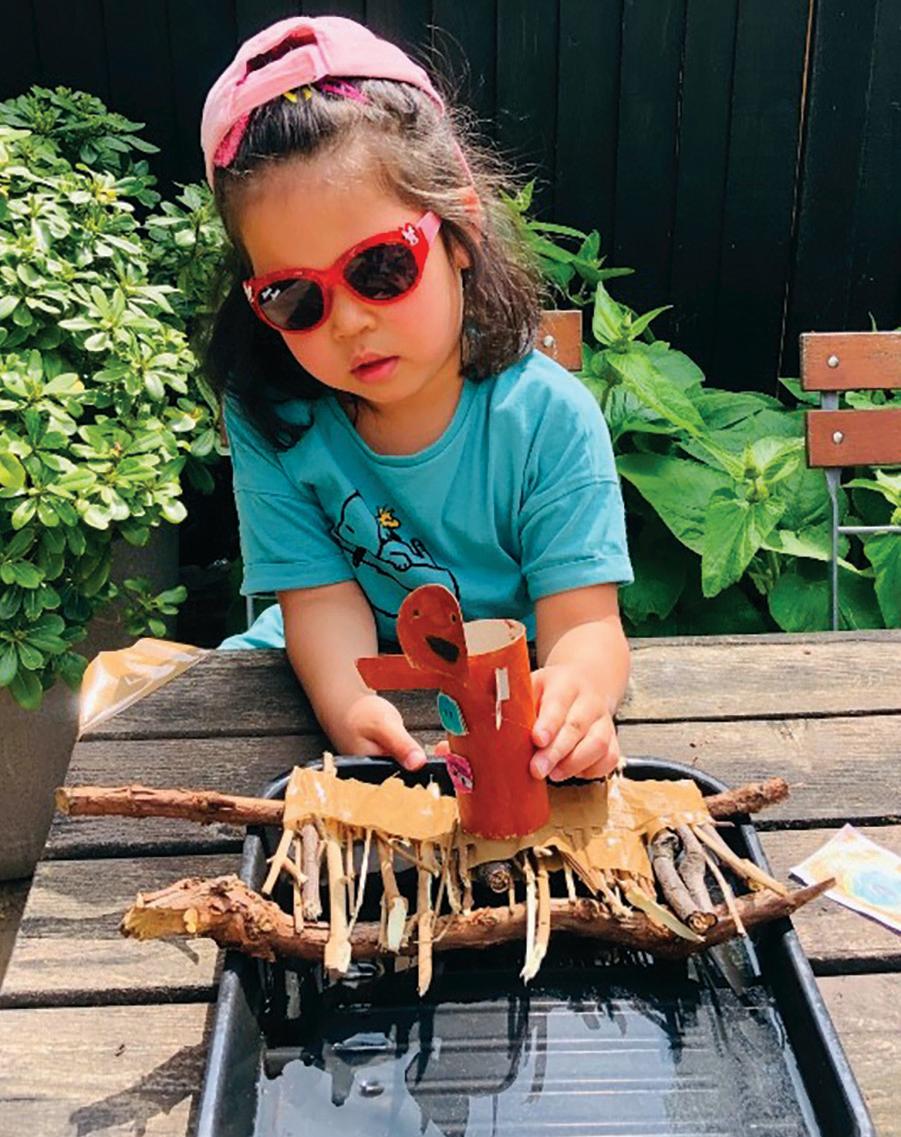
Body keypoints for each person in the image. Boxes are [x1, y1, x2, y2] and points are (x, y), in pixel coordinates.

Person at [200, 15, 633, 785]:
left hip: (501, 702)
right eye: (294, 296)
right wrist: (347, 707)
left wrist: (577, 697)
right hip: (324, 683)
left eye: (379, 268)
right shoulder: (274, 416)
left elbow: (584, 624)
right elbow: (319, 599)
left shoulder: (550, 421)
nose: (347, 322)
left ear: (459, 234)